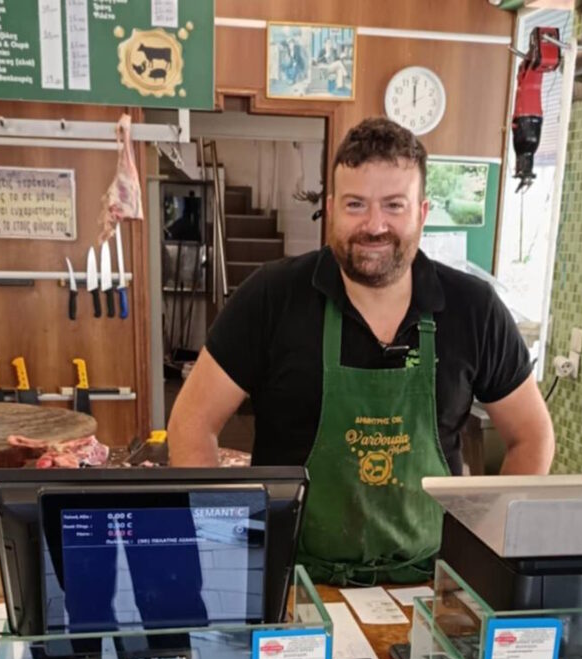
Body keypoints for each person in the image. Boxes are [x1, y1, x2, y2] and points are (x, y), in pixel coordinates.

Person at [167, 117, 555, 585]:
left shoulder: (474, 309)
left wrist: (482, 548)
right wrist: (228, 550)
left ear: (422, 211)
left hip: (429, 583)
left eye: (394, 205)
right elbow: (192, 422)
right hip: (293, 579)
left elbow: (532, 435)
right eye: (356, 204)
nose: (374, 226)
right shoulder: (270, 297)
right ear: (332, 209)